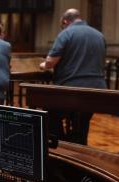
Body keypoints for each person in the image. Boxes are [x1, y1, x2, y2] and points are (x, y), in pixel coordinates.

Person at [40, 8, 107, 145]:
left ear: (65, 21)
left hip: (71, 90)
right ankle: (80, 146)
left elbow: (51, 62)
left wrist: (43, 65)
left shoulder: (66, 33)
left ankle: (60, 145)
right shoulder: (99, 35)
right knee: (82, 121)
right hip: (97, 91)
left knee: (50, 111)